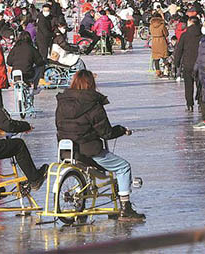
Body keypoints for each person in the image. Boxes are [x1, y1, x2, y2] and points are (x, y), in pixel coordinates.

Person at [55, 70, 145, 221]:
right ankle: (125, 208)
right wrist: (122, 130)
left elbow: (59, 125)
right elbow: (106, 133)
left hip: (68, 149)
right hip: (89, 149)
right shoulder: (92, 103)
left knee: (85, 168)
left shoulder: (62, 102)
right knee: (123, 167)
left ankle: (80, 199)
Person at [173, 16, 202, 111]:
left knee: (188, 85)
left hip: (188, 63)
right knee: (200, 85)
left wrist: (176, 63)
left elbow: (179, 50)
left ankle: (189, 104)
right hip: (201, 64)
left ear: (191, 22)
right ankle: (201, 103)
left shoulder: (185, 35)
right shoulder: (203, 35)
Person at [149, 11, 169, 77]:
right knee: (164, 56)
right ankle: (166, 70)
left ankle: (157, 71)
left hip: (154, 41)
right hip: (161, 41)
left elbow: (150, 32)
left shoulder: (151, 25)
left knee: (156, 58)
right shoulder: (162, 25)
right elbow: (166, 34)